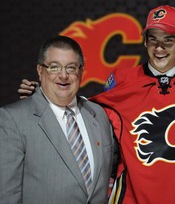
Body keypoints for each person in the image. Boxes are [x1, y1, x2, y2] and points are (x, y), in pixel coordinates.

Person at [18, 5, 175, 203]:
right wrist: (44, 94)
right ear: (145, 41)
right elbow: (81, 109)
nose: (159, 48)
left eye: (168, 40)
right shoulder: (122, 80)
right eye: (153, 39)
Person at [1, 36, 115, 204]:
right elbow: (7, 196)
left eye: (71, 68)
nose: (63, 75)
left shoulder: (98, 114)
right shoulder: (13, 119)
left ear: (81, 71)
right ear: (40, 70)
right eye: (54, 67)